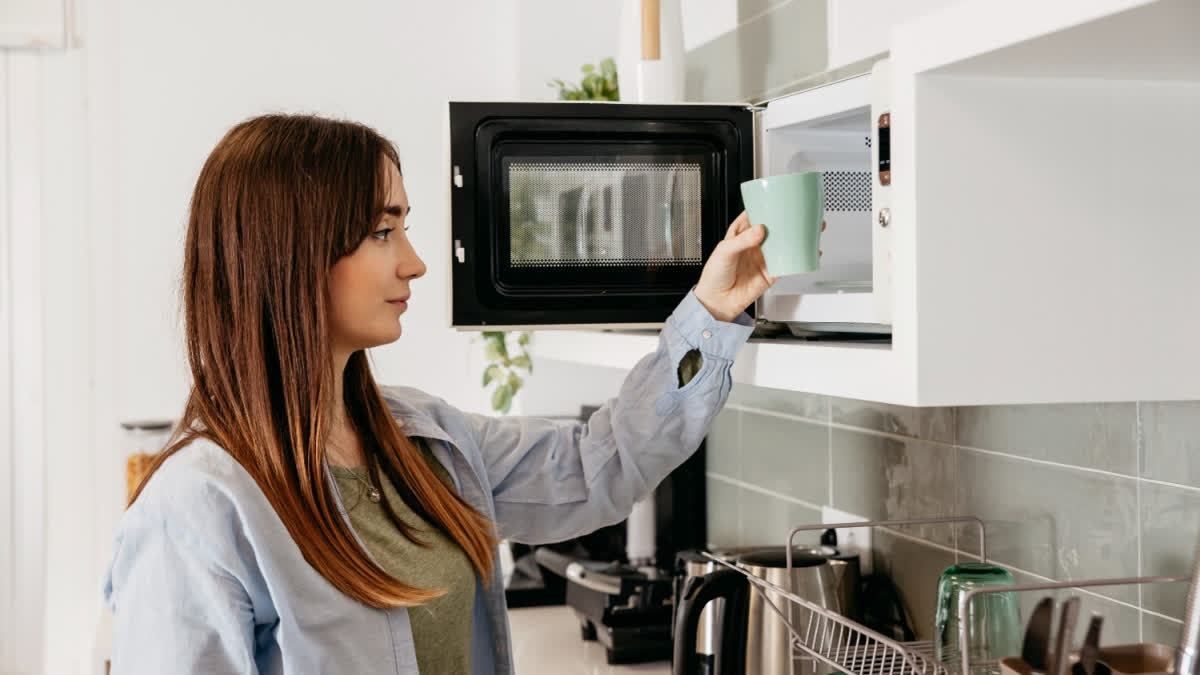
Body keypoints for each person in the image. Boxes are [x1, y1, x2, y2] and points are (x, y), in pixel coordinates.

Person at [103, 113, 776, 674]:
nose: (416, 261)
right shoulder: (195, 512)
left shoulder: (424, 439)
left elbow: (596, 463)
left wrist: (709, 315)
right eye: (382, 230)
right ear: (294, 255)